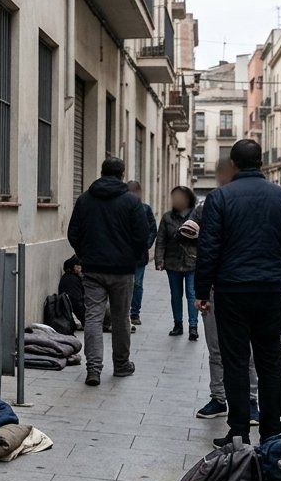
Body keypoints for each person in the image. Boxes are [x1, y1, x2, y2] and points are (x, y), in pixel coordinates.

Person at [196, 140, 281, 445]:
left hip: (231, 290)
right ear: (261, 162)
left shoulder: (220, 198)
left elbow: (209, 249)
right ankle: (271, 431)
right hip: (269, 291)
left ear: (233, 164)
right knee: (270, 360)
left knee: (235, 361)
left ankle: (239, 430)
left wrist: (202, 290)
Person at [67, 157, 150, 387]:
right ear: (122, 175)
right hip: (122, 270)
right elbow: (141, 237)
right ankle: (121, 364)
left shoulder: (85, 199)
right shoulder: (132, 202)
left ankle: (93, 368)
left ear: (101, 172)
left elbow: (73, 233)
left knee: (93, 318)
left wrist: (84, 256)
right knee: (121, 317)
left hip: (93, 268)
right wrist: (132, 258)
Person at [192, 160, 259, 421]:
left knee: (242, 348)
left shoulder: (260, 203)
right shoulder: (209, 204)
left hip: (242, 287)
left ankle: (248, 402)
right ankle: (221, 399)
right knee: (220, 347)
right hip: (220, 287)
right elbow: (201, 245)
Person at [154, 185, 199, 340]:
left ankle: (193, 327)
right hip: (172, 263)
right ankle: (178, 325)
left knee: (192, 294)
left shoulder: (197, 216)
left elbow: (206, 238)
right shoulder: (167, 217)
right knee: (176, 295)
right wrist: (159, 260)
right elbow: (161, 240)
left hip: (192, 262)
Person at [126, 180, 157, 328]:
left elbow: (153, 229)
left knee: (137, 284)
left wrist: (146, 245)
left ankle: (135, 313)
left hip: (139, 255)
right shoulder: (122, 207)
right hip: (123, 254)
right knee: (124, 284)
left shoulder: (145, 209)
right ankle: (124, 312)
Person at [58, 255, 87, 328]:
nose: (81, 268)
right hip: (77, 316)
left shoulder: (72, 278)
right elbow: (76, 303)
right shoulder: (72, 280)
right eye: (79, 266)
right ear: (75, 267)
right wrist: (85, 321)